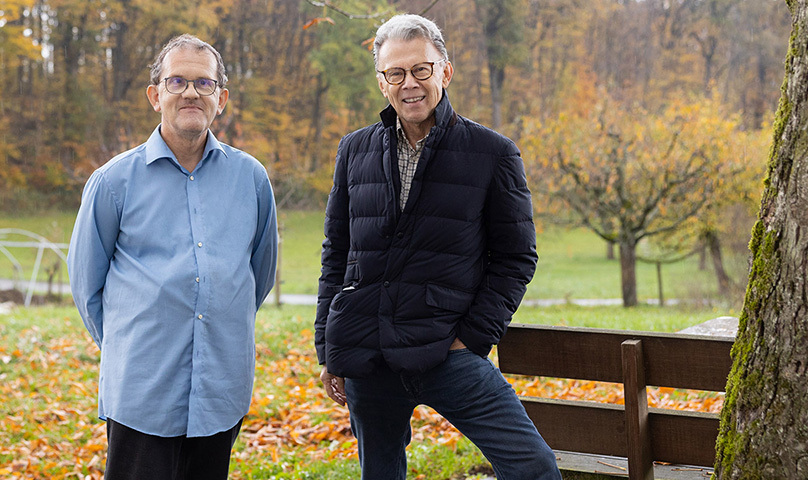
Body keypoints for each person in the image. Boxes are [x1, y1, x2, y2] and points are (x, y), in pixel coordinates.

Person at [314, 14, 562, 480]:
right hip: (368, 357)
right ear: (382, 82)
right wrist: (329, 346)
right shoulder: (354, 151)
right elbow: (337, 253)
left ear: (444, 72)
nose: (410, 84)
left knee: (533, 466)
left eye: (421, 70)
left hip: (447, 352)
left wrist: (470, 339)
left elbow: (516, 258)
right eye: (396, 73)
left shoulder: (492, 152)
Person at [67, 34, 277, 480]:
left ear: (221, 98)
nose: (190, 93)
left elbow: (259, 275)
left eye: (203, 83)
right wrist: (133, 350)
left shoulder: (252, 179)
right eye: (176, 80)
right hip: (142, 391)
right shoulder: (112, 183)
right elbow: (87, 286)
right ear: (155, 94)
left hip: (220, 388)